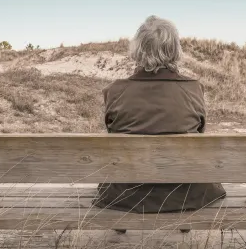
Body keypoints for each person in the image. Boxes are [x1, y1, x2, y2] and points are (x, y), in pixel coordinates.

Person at [92, 15, 227, 220]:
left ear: (138, 50)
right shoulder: (193, 89)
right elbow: (199, 134)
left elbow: (113, 135)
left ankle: (120, 224)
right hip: (186, 194)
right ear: (174, 49)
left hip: (127, 195)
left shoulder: (115, 91)